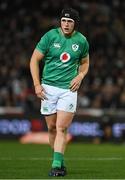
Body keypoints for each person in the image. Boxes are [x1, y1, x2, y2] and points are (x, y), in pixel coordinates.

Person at [30, 7, 89, 177]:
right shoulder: (50, 36)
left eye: (70, 21)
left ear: (75, 24)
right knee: (52, 128)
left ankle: (56, 166)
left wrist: (81, 76)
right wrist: (36, 85)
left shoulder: (82, 41)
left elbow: (85, 63)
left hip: (68, 90)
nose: (66, 24)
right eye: (64, 20)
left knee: (61, 128)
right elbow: (34, 59)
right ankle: (60, 161)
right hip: (48, 88)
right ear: (60, 21)